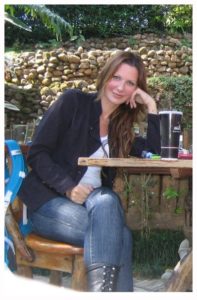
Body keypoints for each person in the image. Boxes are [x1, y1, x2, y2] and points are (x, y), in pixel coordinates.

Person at [18, 50, 161, 292]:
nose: (120, 87)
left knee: (106, 200)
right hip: (48, 203)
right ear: (106, 75)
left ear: (135, 90)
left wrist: (151, 105)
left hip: (94, 205)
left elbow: (155, 153)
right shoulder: (73, 102)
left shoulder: (120, 127)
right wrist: (68, 187)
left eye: (130, 83)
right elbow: (37, 152)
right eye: (117, 77)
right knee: (120, 235)